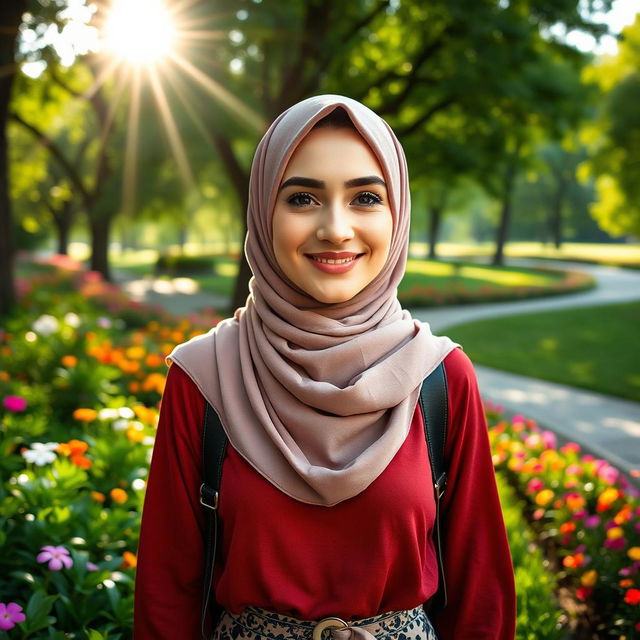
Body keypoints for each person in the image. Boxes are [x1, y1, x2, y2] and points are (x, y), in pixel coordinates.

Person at [134, 95, 516, 640]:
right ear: (264, 211)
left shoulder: (441, 377)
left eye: (365, 197)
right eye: (303, 197)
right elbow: (165, 594)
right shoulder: (204, 378)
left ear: (398, 213)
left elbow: (482, 592)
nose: (336, 229)